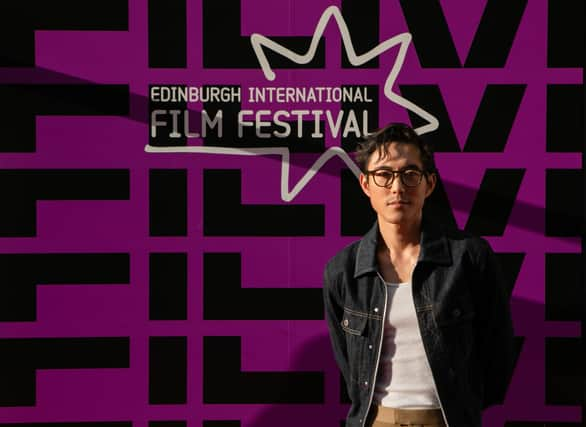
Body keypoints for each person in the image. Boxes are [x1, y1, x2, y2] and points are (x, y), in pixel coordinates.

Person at [323, 123, 515, 427]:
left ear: (429, 184)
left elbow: (498, 353)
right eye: (383, 175)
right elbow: (348, 366)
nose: (397, 187)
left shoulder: (468, 258)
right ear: (365, 185)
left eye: (409, 174)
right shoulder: (343, 270)